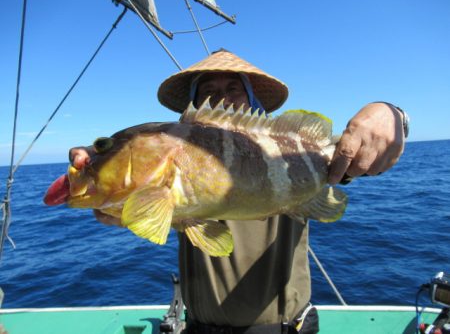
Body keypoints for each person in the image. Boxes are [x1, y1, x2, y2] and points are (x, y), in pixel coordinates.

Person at [69, 49, 408, 333]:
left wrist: (391, 114)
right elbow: (136, 185)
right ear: (192, 105)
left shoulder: (292, 154)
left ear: (252, 100)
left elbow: (362, 148)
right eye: (207, 90)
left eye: (234, 87)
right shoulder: (164, 167)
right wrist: (97, 170)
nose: (221, 95)